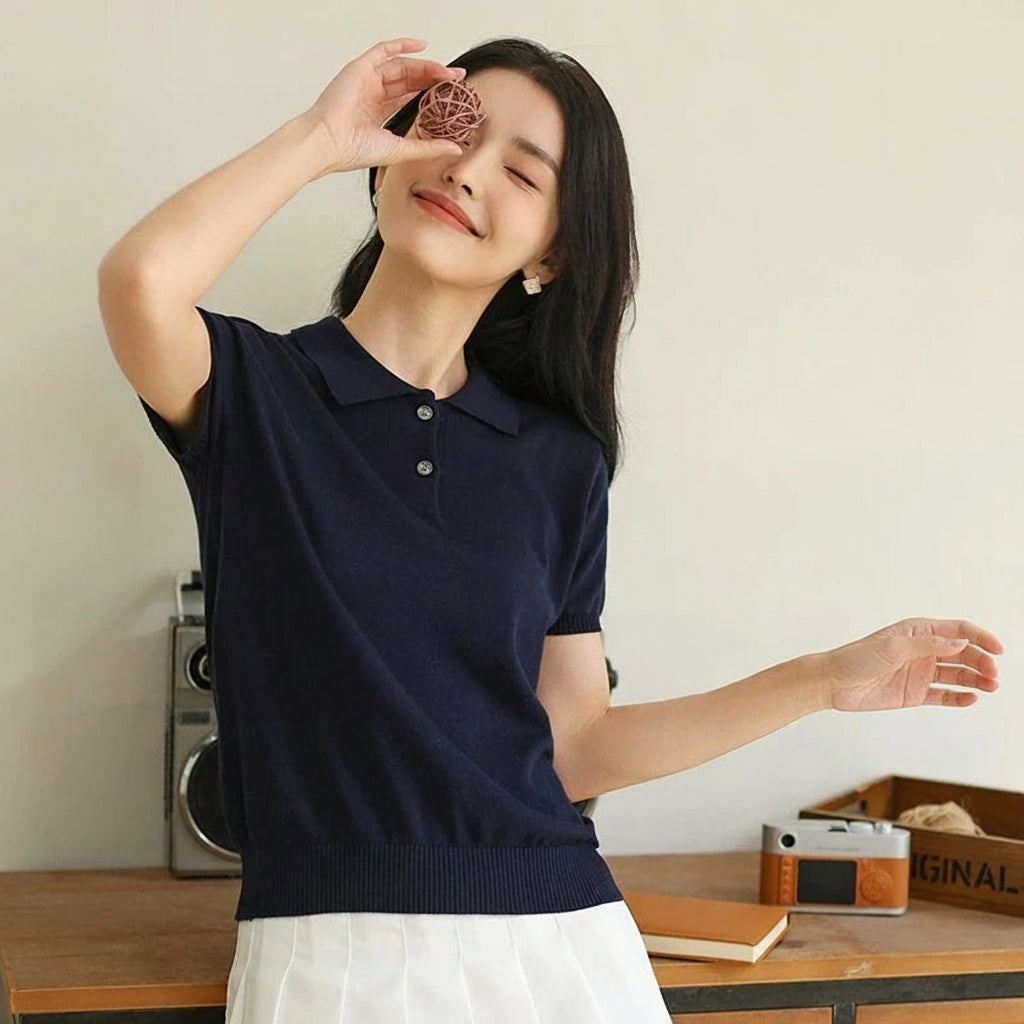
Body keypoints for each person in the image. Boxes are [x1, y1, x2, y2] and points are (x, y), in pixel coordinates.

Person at [97, 35, 1004, 1024]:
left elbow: (576, 747)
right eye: (450, 132)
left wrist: (822, 679)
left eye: (521, 173)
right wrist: (322, 134)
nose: (466, 172)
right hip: (334, 952)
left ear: (551, 254)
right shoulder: (257, 393)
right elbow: (140, 280)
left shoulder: (557, 463)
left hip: (565, 943)